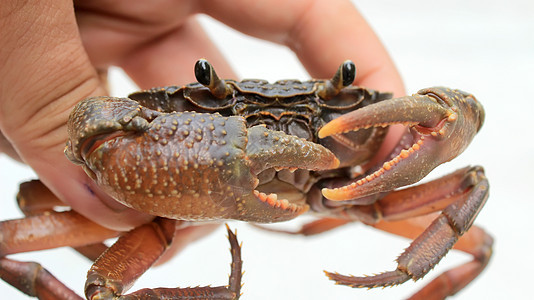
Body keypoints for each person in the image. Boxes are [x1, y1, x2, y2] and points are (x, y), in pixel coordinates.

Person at [0, 0, 404, 250]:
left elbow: (453, 112)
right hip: (175, 187)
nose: (282, 136)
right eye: (217, 104)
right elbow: (97, 122)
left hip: (351, 186)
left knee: (467, 178)